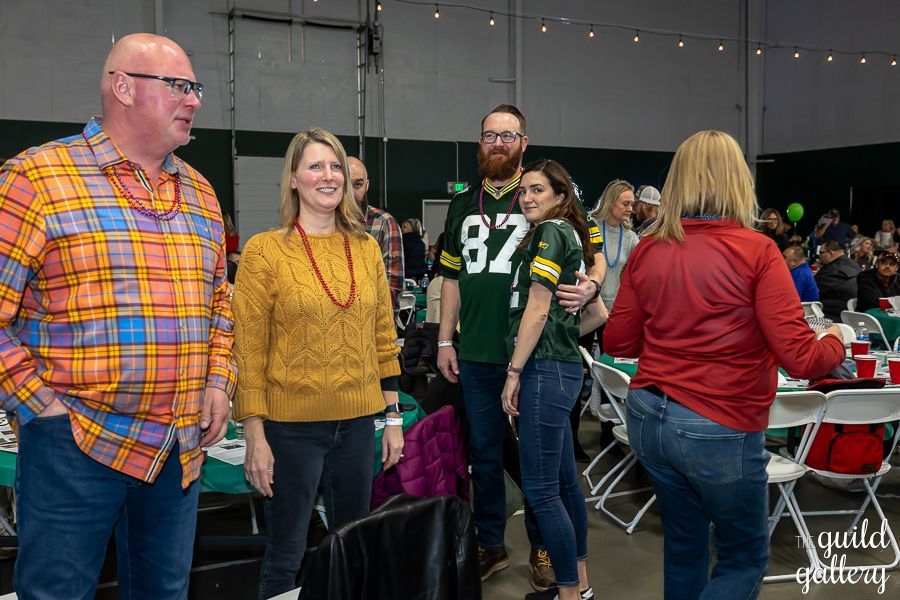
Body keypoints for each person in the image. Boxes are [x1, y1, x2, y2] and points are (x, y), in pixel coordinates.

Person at [0, 34, 236, 599]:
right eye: (179, 86)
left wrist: (219, 380)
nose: (194, 100)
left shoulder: (199, 193)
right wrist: (44, 409)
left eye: (195, 88)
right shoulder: (38, 180)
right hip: (76, 443)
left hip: (178, 451)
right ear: (123, 88)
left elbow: (219, 302)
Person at [604, 130, 845, 600]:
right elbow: (800, 356)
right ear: (738, 180)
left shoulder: (650, 247)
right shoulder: (756, 250)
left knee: (685, 545)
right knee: (742, 558)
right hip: (718, 424)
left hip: (648, 416)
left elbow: (617, 339)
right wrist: (836, 338)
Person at [437, 104, 603, 590]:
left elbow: (595, 264)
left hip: (532, 357)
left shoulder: (548, 201)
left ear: (524, 142)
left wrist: (591, 287)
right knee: (485, 455)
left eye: (509, 136)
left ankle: (548, 549)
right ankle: (491, 545)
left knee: (541, 467)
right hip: (476, 351)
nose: (498, 144)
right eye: (490, 135)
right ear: (479, 143)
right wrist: (445, 338)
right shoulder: (462, 202)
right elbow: (449, 277)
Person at [232, 128, 402, 599]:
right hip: (290, 429)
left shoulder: (366, 248)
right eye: (315, 166)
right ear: (292, 178)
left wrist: (392, 418)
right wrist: (255, 435)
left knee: (353, 545)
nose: (328, 176)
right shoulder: (265, 251)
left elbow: (383, 339)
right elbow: (248, 349)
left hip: (357, 425)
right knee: (286, 553)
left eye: (335, 167)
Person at [501, 159, 607, 600]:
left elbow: (539, 308)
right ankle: (579, 586)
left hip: (544, 372)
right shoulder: (565, 236)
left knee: (542, 493)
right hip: (560, 368)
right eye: (524, 190)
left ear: (561, 197)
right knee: (564, 486)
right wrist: (558, 337)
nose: (527, 197)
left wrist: (514, 371)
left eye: (538, 190)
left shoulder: (550, 233)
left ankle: (567, 594)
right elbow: (597, 315)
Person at [348, 156, 405, 309]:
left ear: (366, 186)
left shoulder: (384, 223)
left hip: (371, 325)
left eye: (357, 184)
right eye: (345, 184)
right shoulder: (322, 225)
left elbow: (392, 290)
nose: (351, 192)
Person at [592, 180, 640, 312]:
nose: (630, 209)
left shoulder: (631, 238)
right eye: (625, 204)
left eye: (631, 204)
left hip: (614, 308)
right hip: (589, 306)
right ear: (611, 202)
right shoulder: (590, 227)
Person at [815, 240, 861, 320]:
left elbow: (813, 291)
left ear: (831, 253)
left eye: (821, 253)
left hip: (835, 314)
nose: (819, 256)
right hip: (854, 310)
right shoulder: (853, 263)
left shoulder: (830, 270)